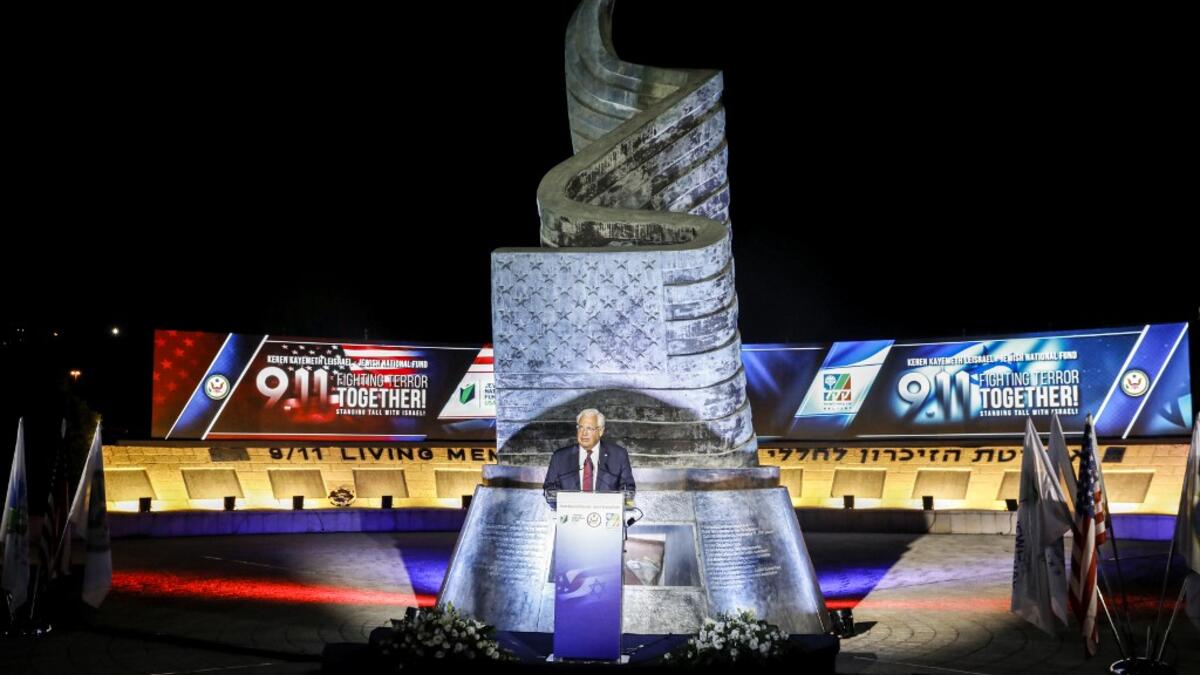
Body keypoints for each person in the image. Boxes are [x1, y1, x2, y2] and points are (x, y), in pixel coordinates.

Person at [542, 408, 634, 506]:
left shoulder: (618, 455)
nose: (584, 433)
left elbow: (629, 489)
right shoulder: (560, 457)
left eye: (589, 428)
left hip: (606, 516)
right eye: (580, 428)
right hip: (571, 515)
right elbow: (549, 489)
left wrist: (623, 506)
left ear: (600, 431)